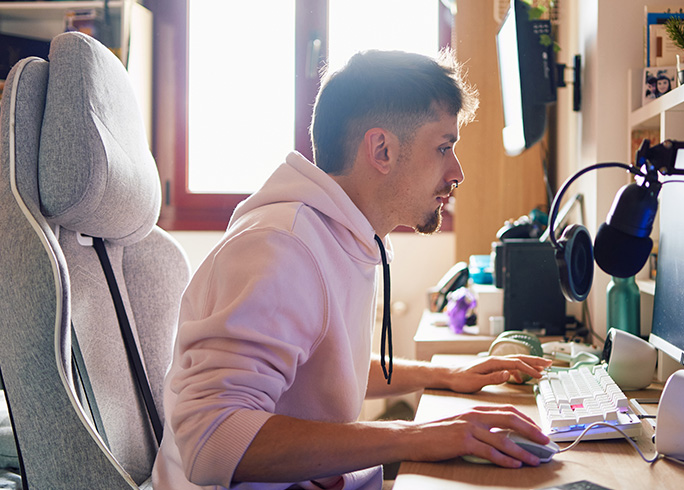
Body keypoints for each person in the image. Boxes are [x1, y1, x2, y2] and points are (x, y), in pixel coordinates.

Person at [152, 49, 553, 490]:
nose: (457, 172)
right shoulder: (281, 248)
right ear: (381, 148)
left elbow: (323, 370)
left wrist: (443, 375)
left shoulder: (343, 236)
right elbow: (211, 442)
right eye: (443, 147)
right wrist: (412, 436)